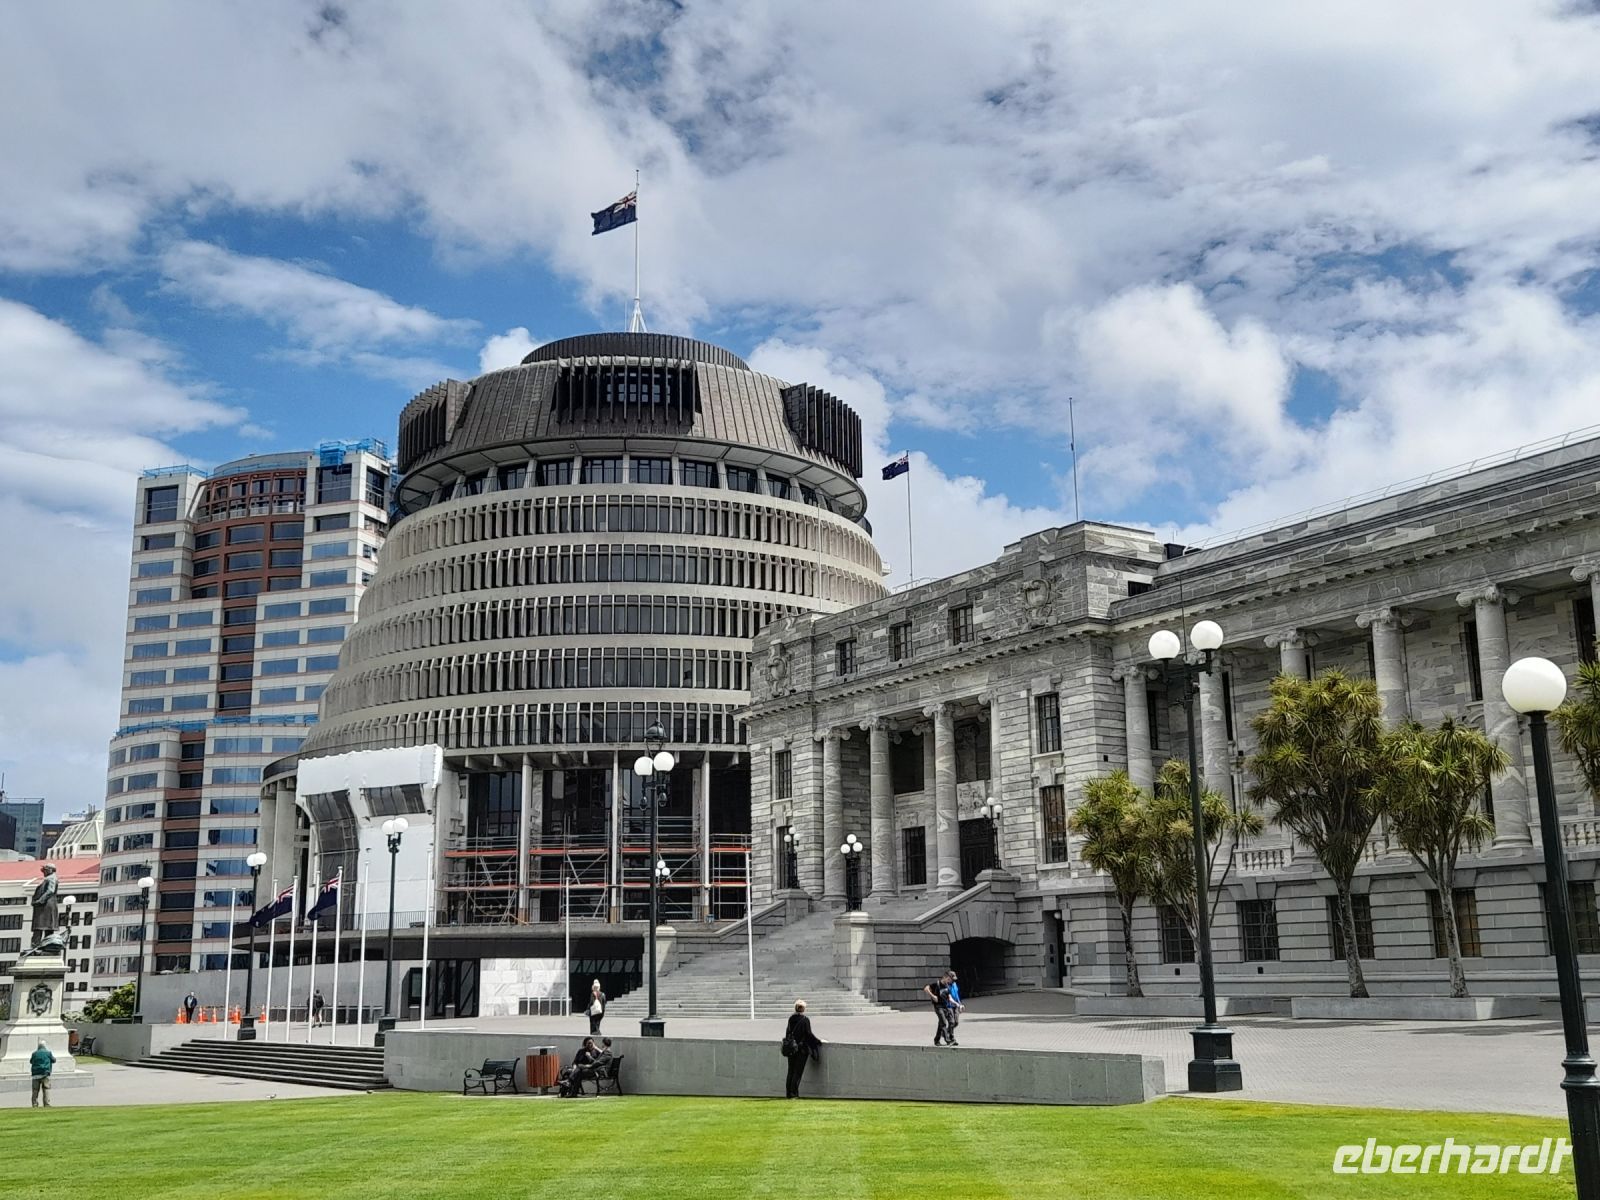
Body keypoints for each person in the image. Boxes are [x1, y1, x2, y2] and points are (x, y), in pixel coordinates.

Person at [782, 1000, 822, 1099]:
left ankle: (788, 1093)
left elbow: (788, 1032)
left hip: (791, 1048)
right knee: (798, 1072)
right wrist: (818, 1041)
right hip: (801, 1049)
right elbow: (808, 1034)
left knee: (791, 1071)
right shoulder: (805, 1019)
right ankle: (794, 1093)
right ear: (803, 1009)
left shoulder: (791, 1019)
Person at [923, 971, 952, 1045]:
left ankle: (936, 1040)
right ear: (944, 977)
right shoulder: (936, 984)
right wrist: (933, 996)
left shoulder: (947, 986)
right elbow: (926, 988)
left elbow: (949, 996)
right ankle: (947, 1039)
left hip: (945, 1006)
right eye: (948, 979)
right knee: (943, 1022)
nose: (949, 981)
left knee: (941, 1024)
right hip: (938, 1007)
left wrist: (956, 1004)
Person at [30, 1040, 55, 1109]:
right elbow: (53, 1060)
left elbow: (31, 1061)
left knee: (35, 1090)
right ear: (45, 1046)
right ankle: (46, 1104)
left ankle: (34, 1104)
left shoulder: (34, 1053)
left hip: (35, 1074)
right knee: (46, 1089)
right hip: (45, 1073)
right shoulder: (48, 1053)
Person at [944, 971, 964, 1047]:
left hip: (956, 1005)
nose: (954, 980)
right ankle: (952, 1038)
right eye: (953, 979)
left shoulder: (954, 984)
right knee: (951, 1022)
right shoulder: (945, 986)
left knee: (956, 1022)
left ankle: (945, 1032)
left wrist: (960, 1004)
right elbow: (949, 997)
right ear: (949, 978)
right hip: (948, 1005)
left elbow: (956, 995)